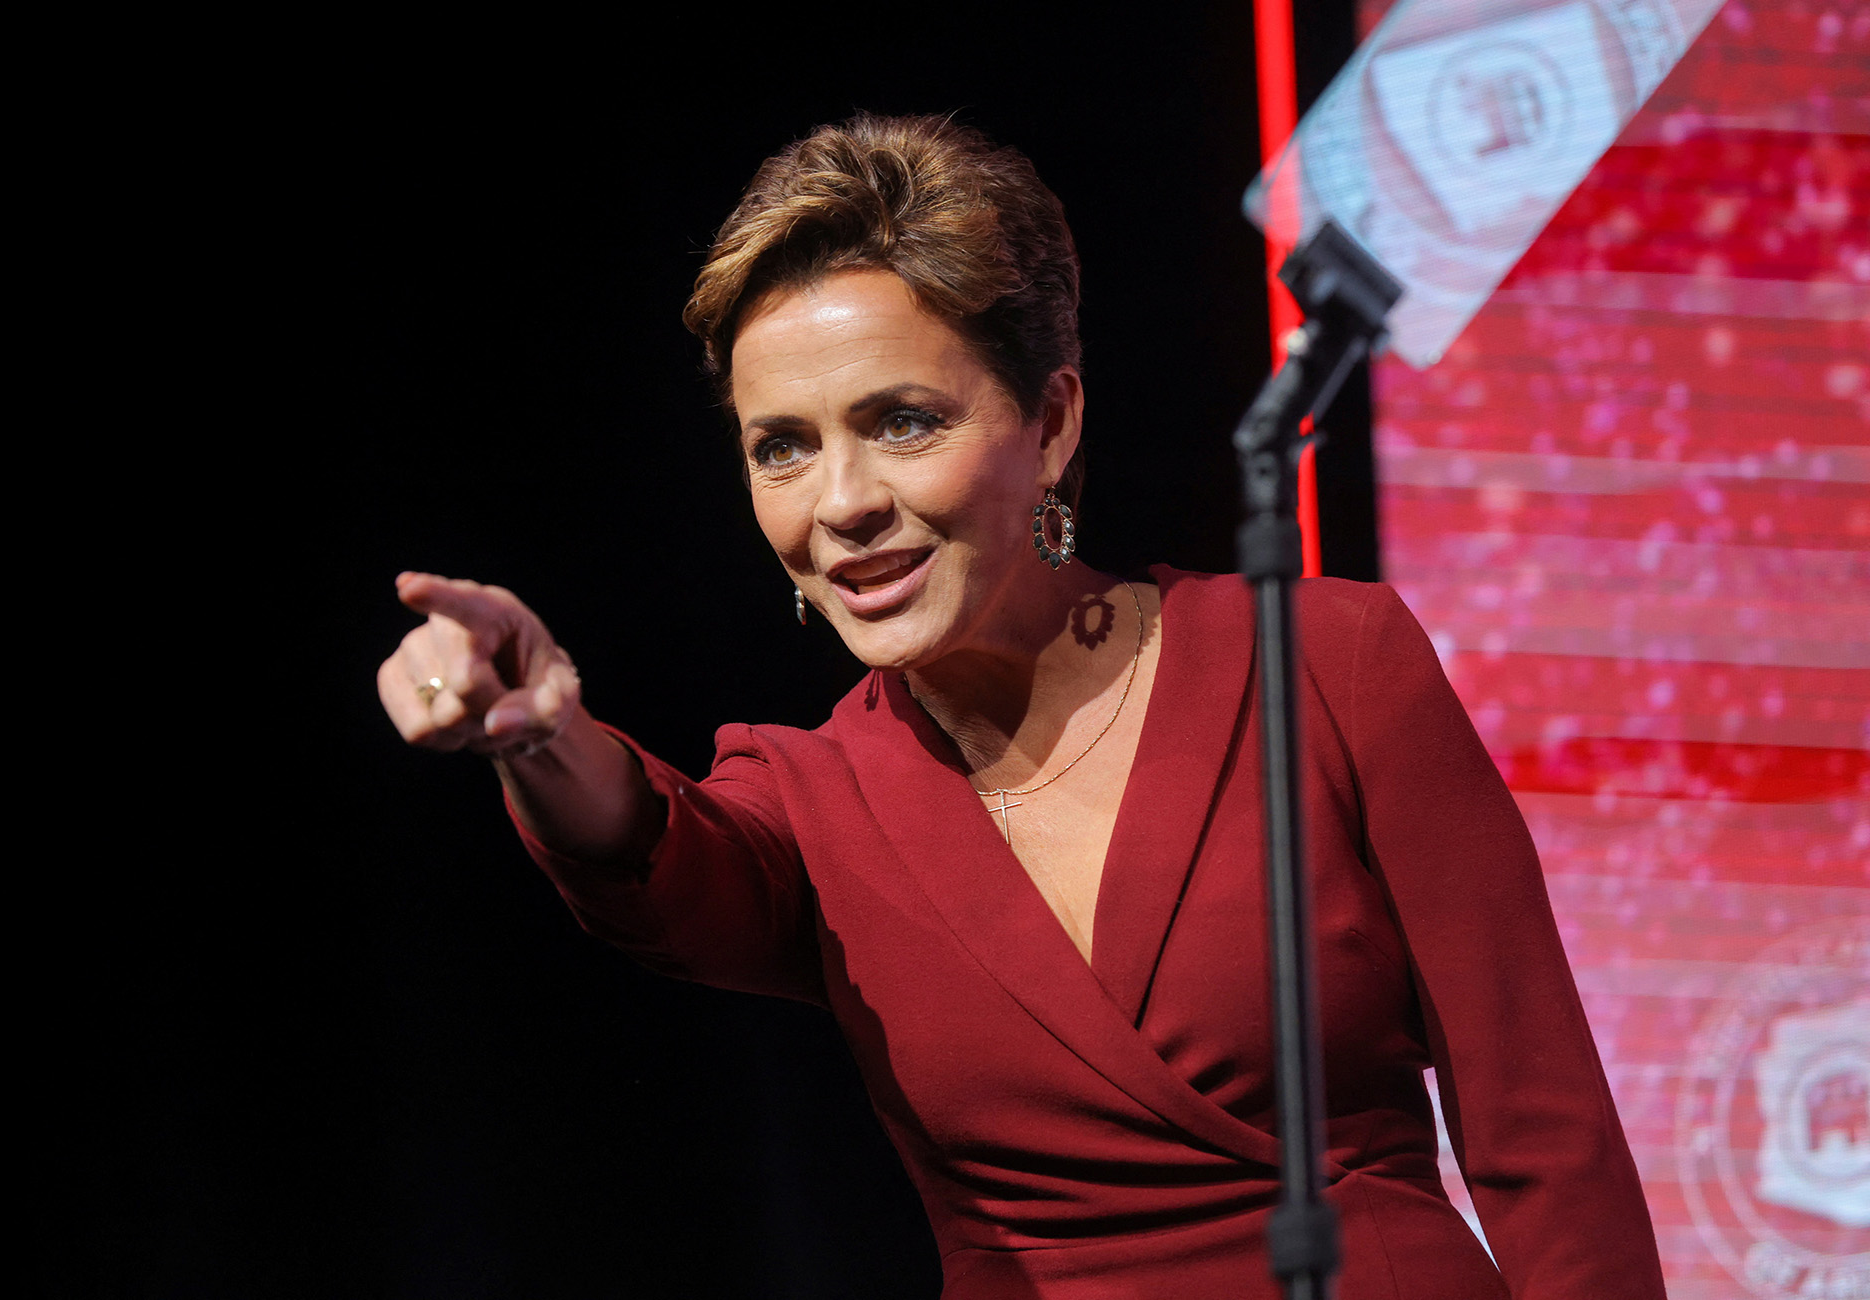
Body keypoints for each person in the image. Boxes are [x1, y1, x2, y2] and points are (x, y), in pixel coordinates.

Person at [376, 115, 1665, 1299]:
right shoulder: (821, 805)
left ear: (1050, 423)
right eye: (783, 447)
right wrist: (542, 734)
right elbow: (657, 857)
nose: (842, 502)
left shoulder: (1330, 663)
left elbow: (1543, 1136)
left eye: (903, 422)